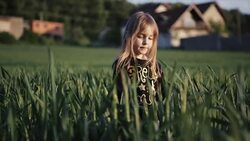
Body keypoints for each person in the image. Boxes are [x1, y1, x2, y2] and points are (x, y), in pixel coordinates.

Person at [112, 11, 165, 106]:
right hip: (130, 116)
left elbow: (162, 95)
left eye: (150, 38)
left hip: (152, 117)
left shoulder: (156, 66)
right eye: (140, 36)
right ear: (129, 36)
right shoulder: (123, 64)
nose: (145, 42)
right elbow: (117, 94)